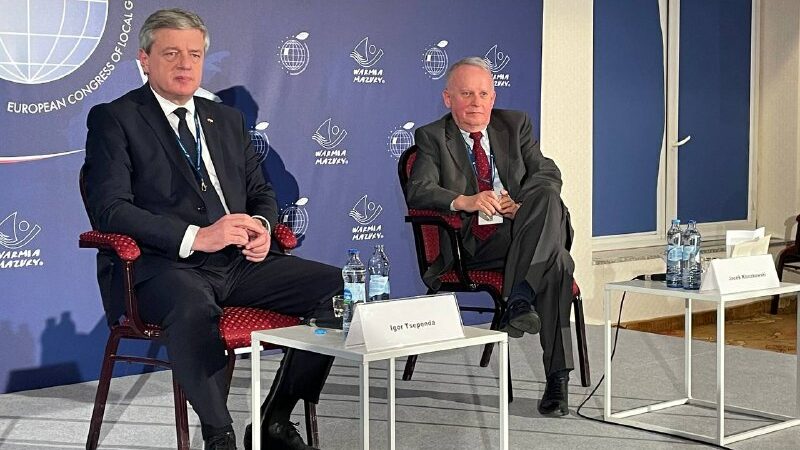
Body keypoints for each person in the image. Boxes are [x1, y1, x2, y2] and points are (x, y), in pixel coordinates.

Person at [82, 9, 339, 450]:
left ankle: (275, 419)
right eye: (171, 54)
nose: (185, 64)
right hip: (163, 266)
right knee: (193, 308)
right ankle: (219, 436)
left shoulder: (227, 121)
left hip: (237, 263)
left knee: (339, 290)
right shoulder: (115, 118)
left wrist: (261, 226)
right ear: (144, 59)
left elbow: (262, 193)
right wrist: (196, 237)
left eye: (195, 54)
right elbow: (111, 210)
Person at [406, 57, 575, 416]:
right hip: (476, 243)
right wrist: (465, 201)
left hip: (523, 231)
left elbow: (547, 172)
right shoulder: (432, 136)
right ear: (448, 98)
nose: (475, 103)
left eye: (483, 94)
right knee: (556, 260)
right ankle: (557, 377)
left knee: (547, 200)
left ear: (493, 97)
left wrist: (521, 206)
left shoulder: (515, 124)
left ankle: (520, 302)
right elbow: (419, 190)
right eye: (466, 94)